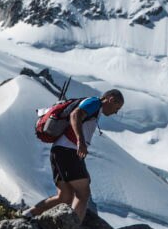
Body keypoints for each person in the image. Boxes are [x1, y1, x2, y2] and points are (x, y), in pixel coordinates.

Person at [25, 89, 125, 221]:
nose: (115, 112)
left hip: (59, 151)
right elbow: (75, 114)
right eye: (117, 108)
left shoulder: (94, 106)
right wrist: (80, 140)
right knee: (83, 194)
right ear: (111, 99)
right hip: (68, 151)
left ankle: (27, 214)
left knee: (64, 197)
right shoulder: (94, 103)